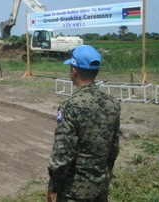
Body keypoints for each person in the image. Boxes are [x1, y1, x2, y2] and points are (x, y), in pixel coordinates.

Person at [47, 45, 121, 202]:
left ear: (74, 71)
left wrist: (53, 185)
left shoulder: (70, 106)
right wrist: (109, 169)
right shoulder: (112, 103)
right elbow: (114, 145)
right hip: (100, 186)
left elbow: (63, 153)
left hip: (73, 192)